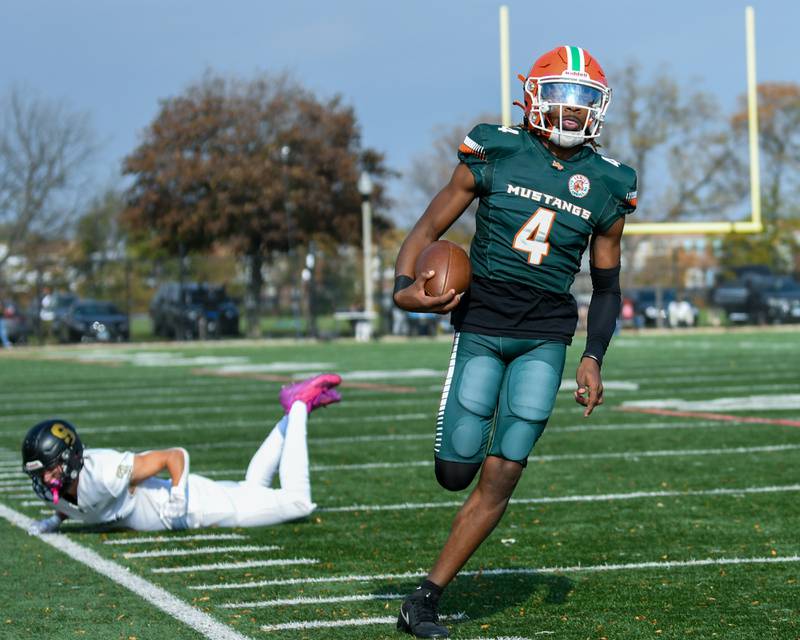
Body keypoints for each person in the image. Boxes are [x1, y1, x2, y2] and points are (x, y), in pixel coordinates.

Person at [392, 45, 637, 638]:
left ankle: (425, 598)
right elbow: (428, 228)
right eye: (563, 96)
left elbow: (607, 288)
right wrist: (403, 289)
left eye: (585, 101)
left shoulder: (608, 183)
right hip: (480, 325)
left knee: (504, 472)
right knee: (456, 471)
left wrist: (594, 358)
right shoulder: (495, 149)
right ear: (534, 97)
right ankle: (453, 482)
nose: (574, 112)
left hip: (544, 337)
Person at [22, 374, 341, 534]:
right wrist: (55, 520)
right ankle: (292, 413)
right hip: (197, 503)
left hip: (199, 508)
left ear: (71, 459)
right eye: (39, 473)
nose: (44, 479)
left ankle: (299, 404)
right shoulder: (60, 488)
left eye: (49, 469)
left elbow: (173, 456)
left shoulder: (104, 471)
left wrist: (177, 498)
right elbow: (76, 504)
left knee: (298, 503)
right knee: (252, 487)